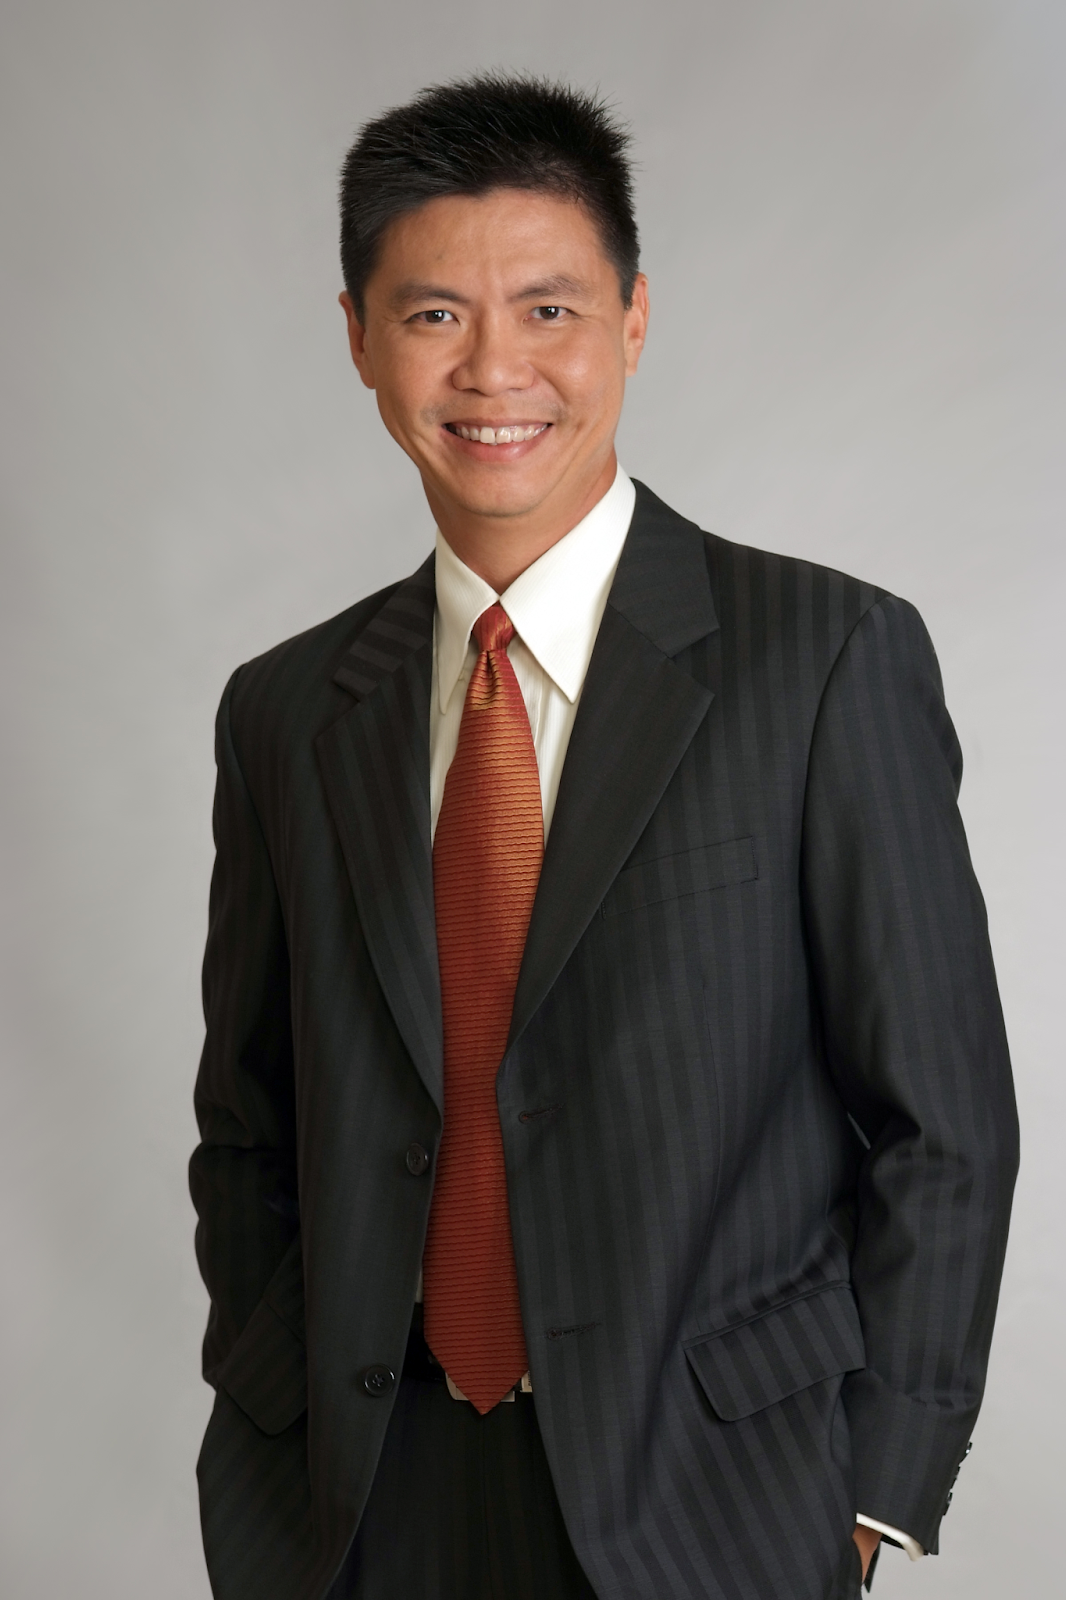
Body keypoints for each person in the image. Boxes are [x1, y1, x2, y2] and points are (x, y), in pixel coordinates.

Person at [190, 75, 1018, 1600]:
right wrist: (269, 1403)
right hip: (366, 1503)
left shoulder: (821, 656)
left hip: (716, 1500)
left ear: (632, 319)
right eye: (433, 314)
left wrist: (873, 1487)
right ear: (361, 337)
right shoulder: (291, 710)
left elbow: (942, 1121)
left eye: (549, 310)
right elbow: (251, 1120)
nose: (494, 367)